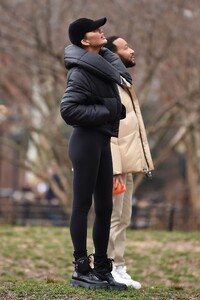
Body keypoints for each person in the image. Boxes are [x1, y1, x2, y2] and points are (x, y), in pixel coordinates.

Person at [60, 18, 134, 290]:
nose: (102, 31)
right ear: (84, 41)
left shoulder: (102, 65)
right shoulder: (80, 72)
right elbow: (68, 110)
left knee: (105, 207)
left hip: (102, 140)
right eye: (96, 30)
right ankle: (81, 267)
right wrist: (107, 112)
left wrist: (111, 111)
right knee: (82, 205)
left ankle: (102, 268)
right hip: (85, 142)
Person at [104, 36, 154, 288]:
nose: (132, 50)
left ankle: (119, 267)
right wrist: (114, 168)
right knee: (114, 217)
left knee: (123, 218)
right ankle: (109, 267)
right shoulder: (109, 83)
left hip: (127, 164)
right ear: (113, 54)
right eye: (125, 47)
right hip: (115, 166)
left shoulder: (123, 81)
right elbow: (109, 128)